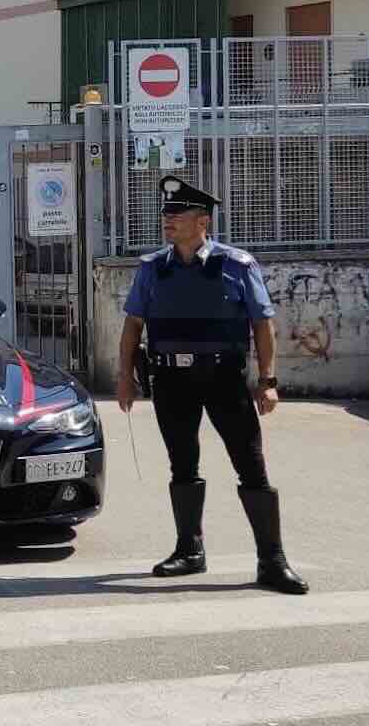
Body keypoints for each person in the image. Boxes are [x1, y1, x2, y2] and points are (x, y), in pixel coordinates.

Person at [116, 174, 308, 595]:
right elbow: (133, 325)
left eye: (178, 213)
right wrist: (124, 377)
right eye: (166, 213)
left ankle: (272, 561)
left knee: (251, 466)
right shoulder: (153, 269)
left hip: (224, 379)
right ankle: (190, 550)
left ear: (203, 221)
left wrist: (268, 380)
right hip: (171, 380)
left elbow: (263, 324)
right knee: (182, 464)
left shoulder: (237, 265)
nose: (169, 220)